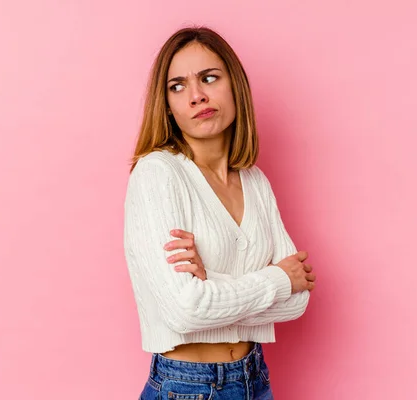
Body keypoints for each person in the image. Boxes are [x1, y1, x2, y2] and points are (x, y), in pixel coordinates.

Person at [124, 26, 316, 399]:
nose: (196, 96)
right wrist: (276, 279)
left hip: (255, 379)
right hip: (186, 386)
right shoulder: (158, 173)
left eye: (209, 78)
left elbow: (298, 300)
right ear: (167, 105)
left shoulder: (255, 182)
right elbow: (185, 311)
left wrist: (212, 281)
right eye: (177, 86)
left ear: (234, 86)